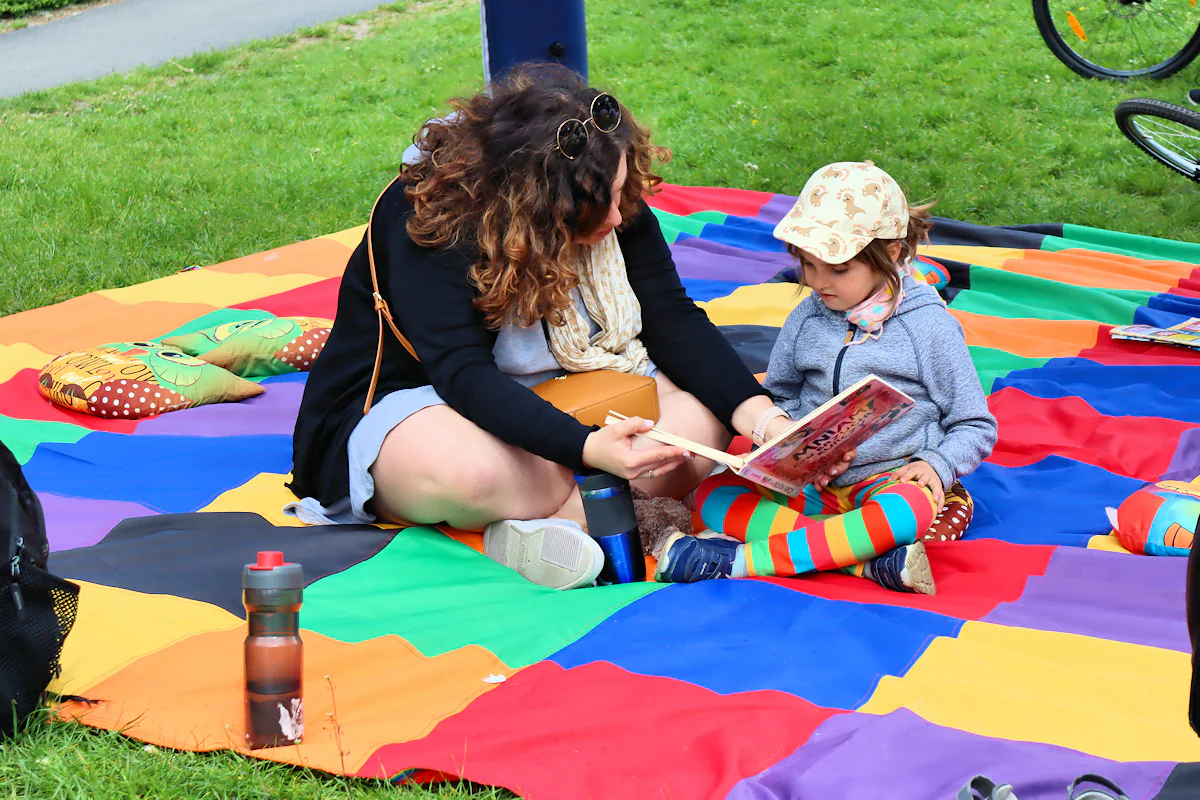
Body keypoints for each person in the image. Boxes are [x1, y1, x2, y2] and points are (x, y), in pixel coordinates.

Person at [286, 64, 854, 590]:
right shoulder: (430, 218)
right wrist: (587, 451)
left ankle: (552, 526)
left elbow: (672, 319)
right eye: (597, 208)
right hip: (432, 404)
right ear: (533, 205)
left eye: (620, 196)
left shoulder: (604, 189)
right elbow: (462, 374)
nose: (616, 219)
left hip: (578, 388)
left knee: (702, 421)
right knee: (471, 470)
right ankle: (596, 506)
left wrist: (768, 424)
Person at [655, 161, 998, 594]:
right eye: (807, 265)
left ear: (890, 253)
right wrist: (787, 448)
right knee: (709, 494)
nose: (817, 283)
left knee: (904, 513)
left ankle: (737, 562)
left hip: (889, 483)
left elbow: (975, 423)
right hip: (812, 489)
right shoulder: (806, 318)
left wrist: (938, 464)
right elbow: (777, 395)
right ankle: (866, 563)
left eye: (837, 270)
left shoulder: (928, 326)